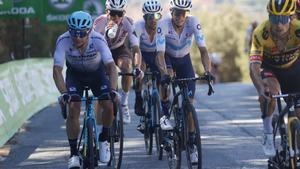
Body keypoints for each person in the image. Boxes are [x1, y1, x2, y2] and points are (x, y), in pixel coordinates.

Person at [53, 11, 118, 168]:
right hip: (75, 75)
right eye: (74, 32)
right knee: (73, 107)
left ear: (89, 31)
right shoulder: (63, 40)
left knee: (108, 104)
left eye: (82, 33)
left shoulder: (98, 39)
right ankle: (74, 153)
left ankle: (103, 139)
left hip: (97, 74)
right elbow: (57, 70)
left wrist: (114, 90)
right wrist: (64, 94)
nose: (77, 37)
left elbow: (111, 66)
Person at [155, 0, 213, 163]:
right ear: (171, 11)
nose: (180, 16)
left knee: (189, 106)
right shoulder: (163, 24)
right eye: (177, 12)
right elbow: (159, 54)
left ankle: (192, 144)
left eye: (184, 13)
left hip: (185, 60)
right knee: (167, 80)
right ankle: (165, 115)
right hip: (167, 58)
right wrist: (164, 73)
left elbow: (203, 50)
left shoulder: (193, 22)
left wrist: (207, 71)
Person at [249, 0, 300, 157]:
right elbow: (254, 67)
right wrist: (260, 89)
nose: (278, 25)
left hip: (294, 70)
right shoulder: (260, 33)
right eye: (274, 19)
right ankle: (268, 134)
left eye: (283, 19)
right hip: (271, 71)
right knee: (269, 94)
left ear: (291, 18)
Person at [93, 0, 143, 124]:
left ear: (124, 14)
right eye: (113, 13)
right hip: (102, 50)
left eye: (119, 14)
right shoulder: (99, 22)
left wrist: (137, 67)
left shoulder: (128, 22)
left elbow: (136, 48)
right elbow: (92, 45)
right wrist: (105, 32)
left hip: (119, 49)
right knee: (103, 84)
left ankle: (124, 103)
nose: (116, 17)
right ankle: (99, 126)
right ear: (107, 12)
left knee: (127, 66)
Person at [134, 0, 166, 132]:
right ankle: (138, 98)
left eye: (157, 16)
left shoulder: (161, 27)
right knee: (140, 69)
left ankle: (163, 110)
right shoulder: (138, 26)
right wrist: (137, 68)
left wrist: (164, 72)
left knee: (163, 80)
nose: (153, 19)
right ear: (144, 18)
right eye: (150, 16)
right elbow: (135, 49)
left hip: (156, 54)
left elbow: (161, 53)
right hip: (142, 54)